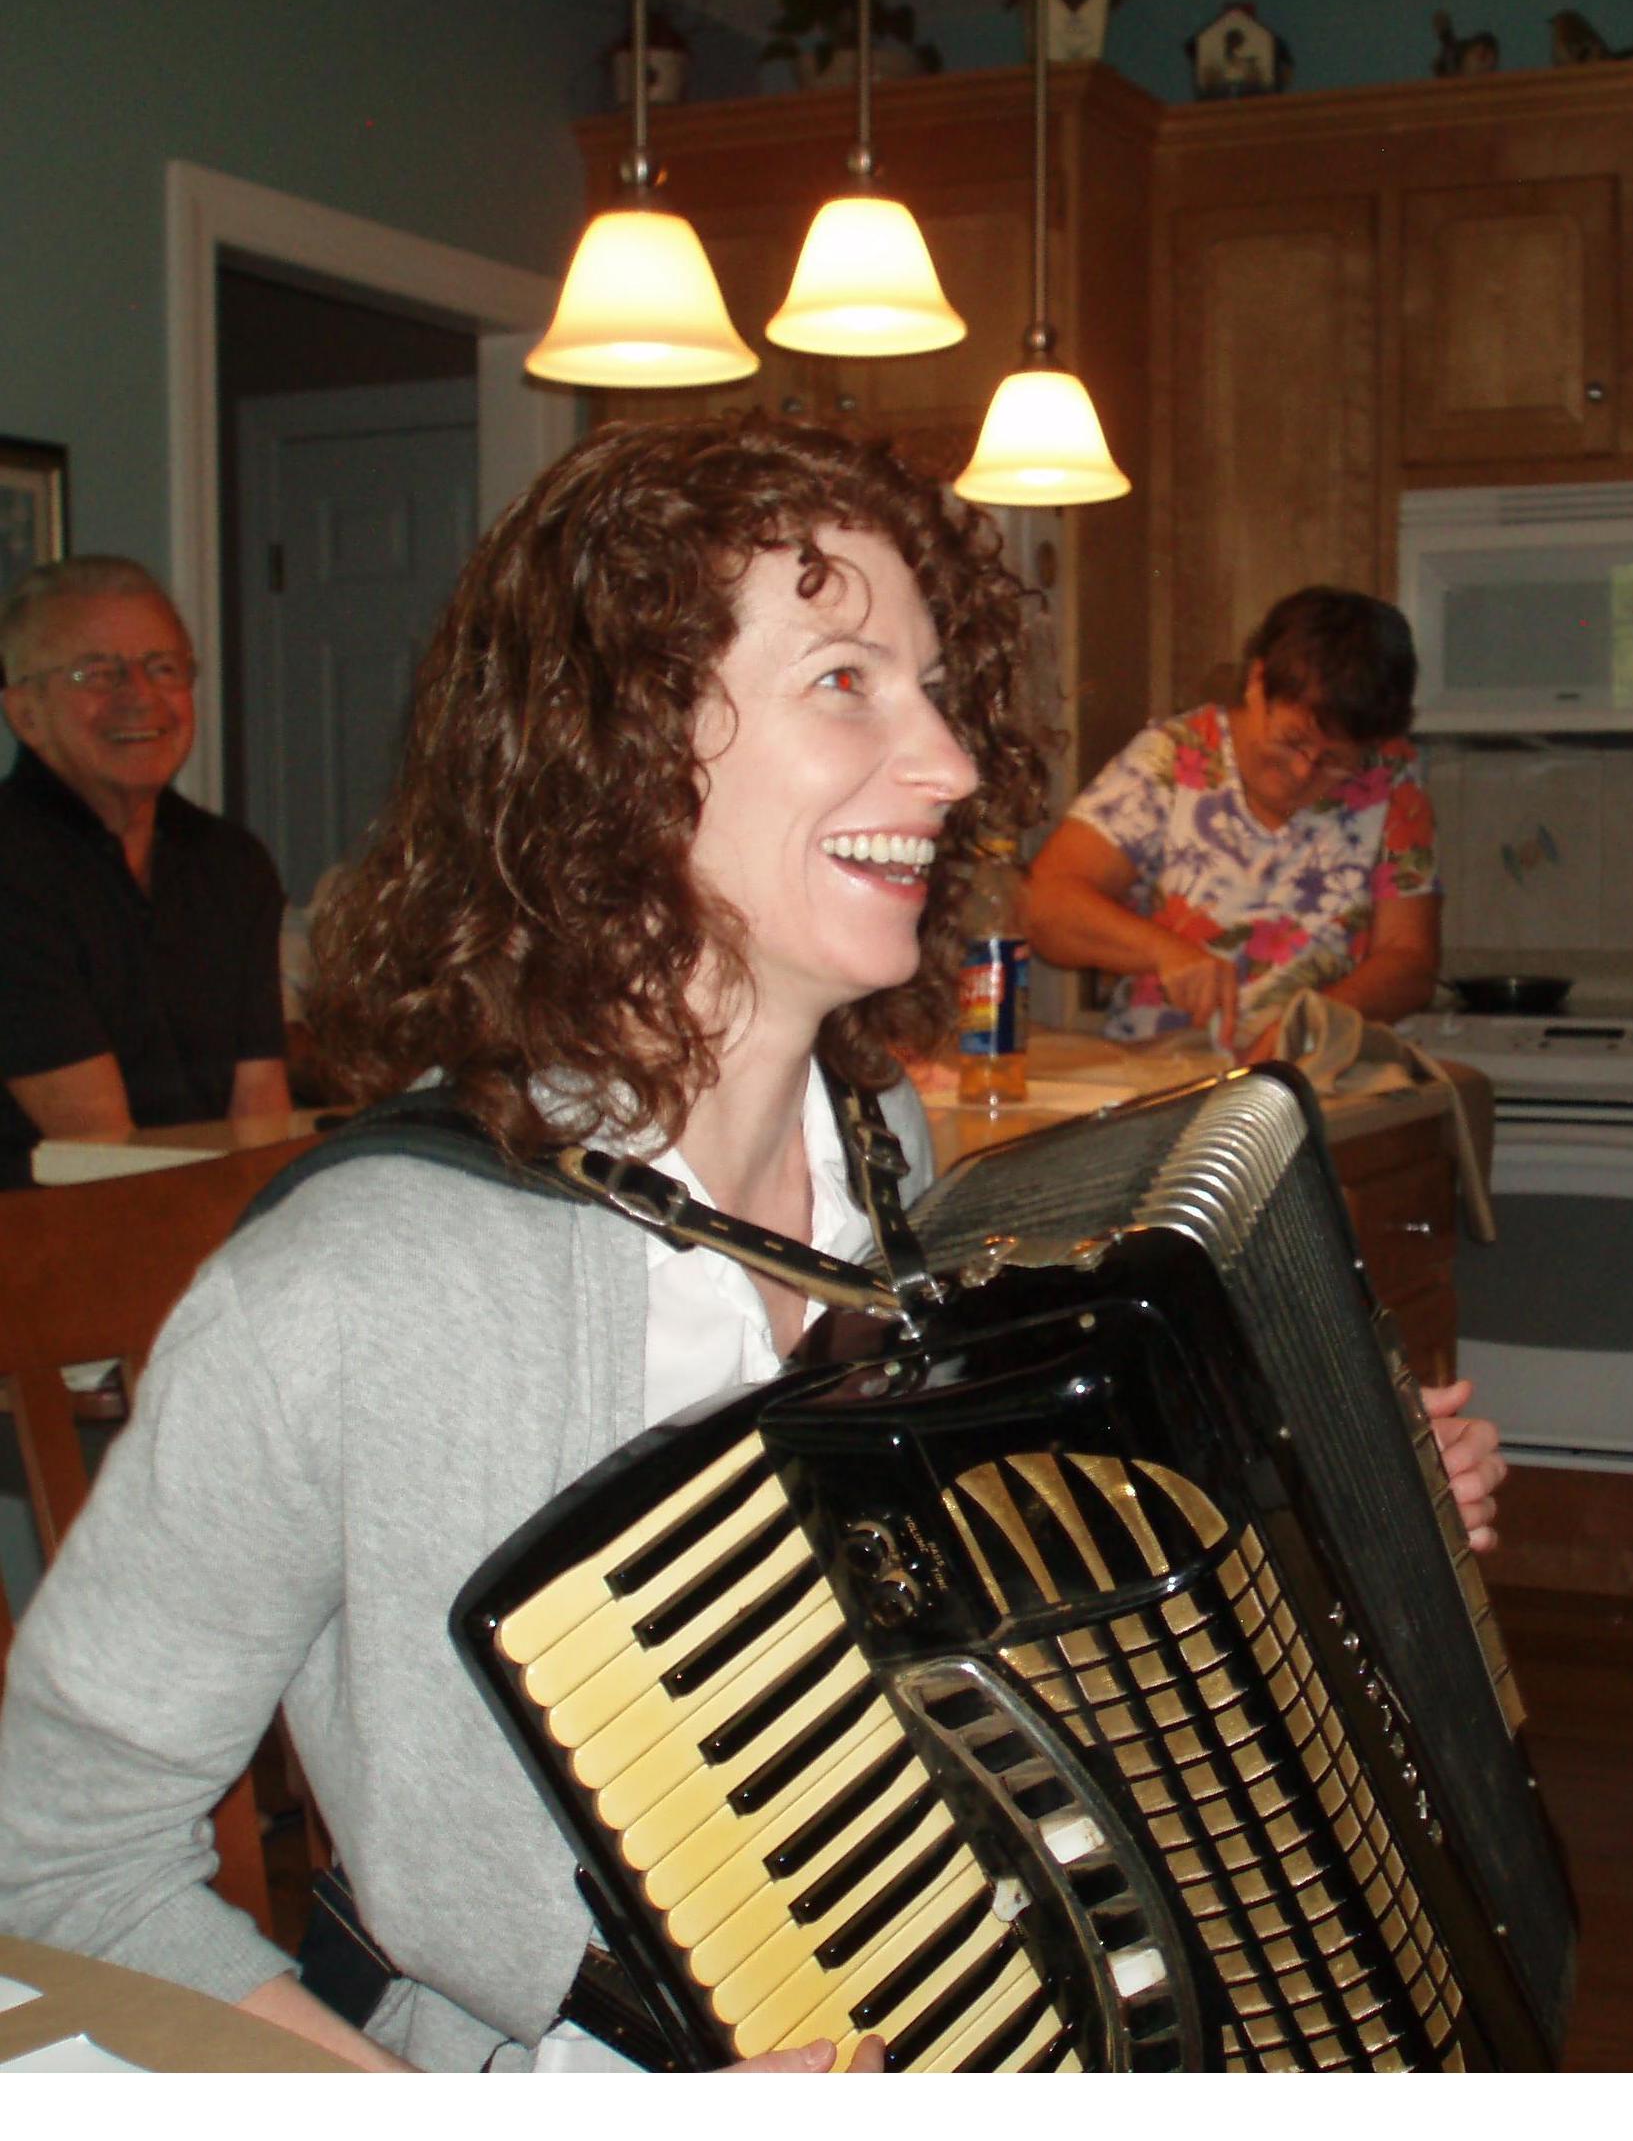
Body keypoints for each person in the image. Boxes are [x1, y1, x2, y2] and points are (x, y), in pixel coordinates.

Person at [0, 417, 1509, 2073]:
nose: (944, 762)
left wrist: (1322, 1507)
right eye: (847, 679)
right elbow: (62, 1852)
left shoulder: (888, 1158)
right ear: (614, 739)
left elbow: (949, 1624)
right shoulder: (357, 1287)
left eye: (933, 688)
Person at [1025, 586, 1440, 1063]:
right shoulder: (1173, 759)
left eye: (1335, 761)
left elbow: (1410, 961)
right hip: (1168, 1070)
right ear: (1257, 682)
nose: (1305, 771)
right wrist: (1164, 951)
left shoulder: (1391, 778)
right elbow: (1044, 906)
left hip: (1318, 1080)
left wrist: (1315, 1021)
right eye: (1293, 740)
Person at [0, 558, 290, 1188]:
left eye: (164, 668)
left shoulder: (234, 866)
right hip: (35, 1247)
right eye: (97, 673)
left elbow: (260, 1113)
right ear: (26, 713)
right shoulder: (11, 868)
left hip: (191, 1228)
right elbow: (95, 1150)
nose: (139, 696)